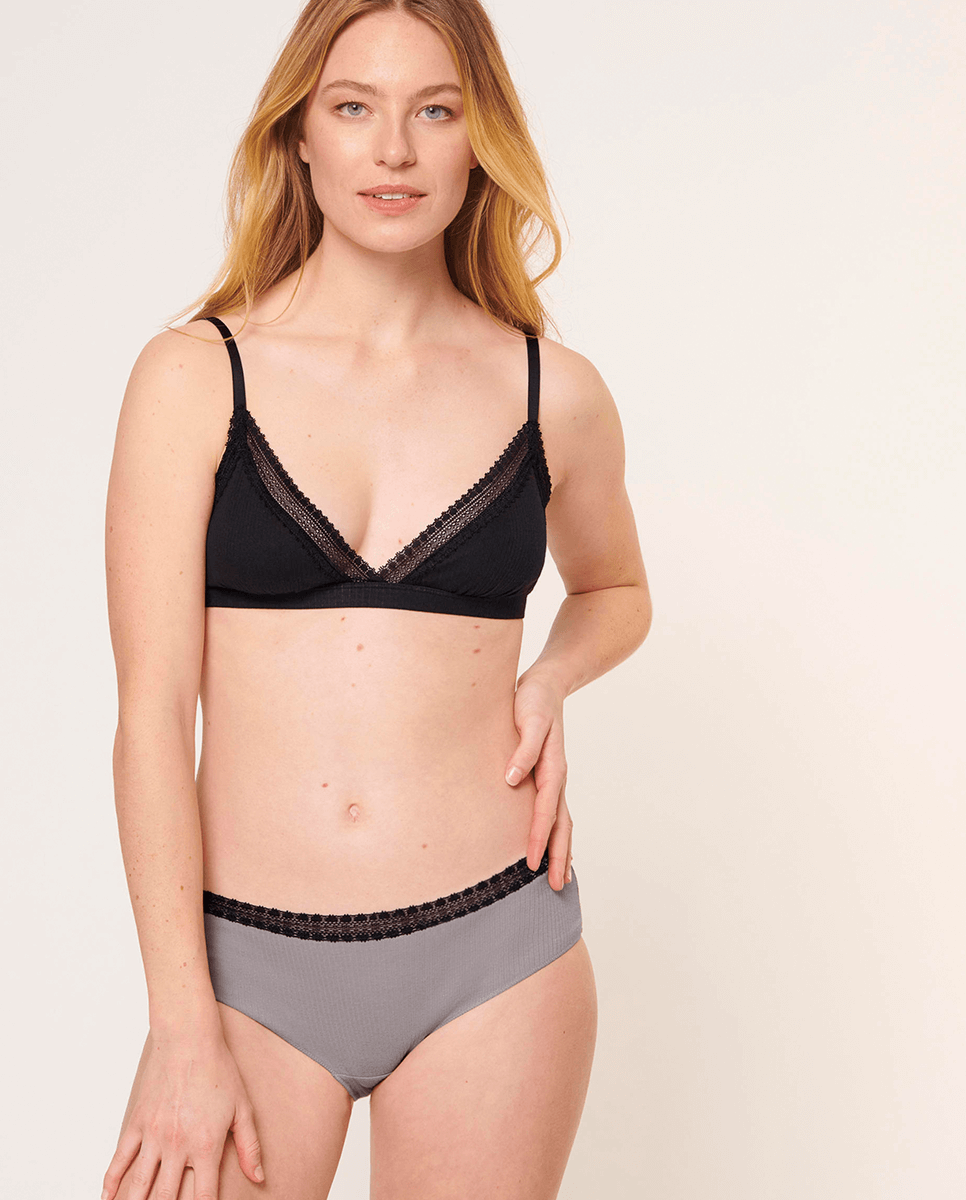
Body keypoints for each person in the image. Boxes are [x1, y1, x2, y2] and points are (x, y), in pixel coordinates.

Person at [101, 1, 650, 1197]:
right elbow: (151, 716)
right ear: (300, 134)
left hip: (495, 954)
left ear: (478, 140)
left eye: (434, 111)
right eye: (354, 108)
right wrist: (180, 1025)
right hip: (247, 971)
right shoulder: (195, 378)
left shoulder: (554, 393)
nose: (393, 150)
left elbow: (616, 589)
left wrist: (550, 680)